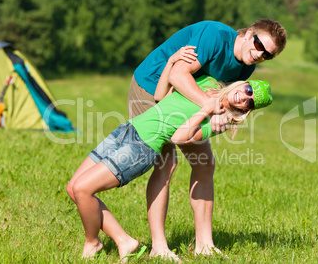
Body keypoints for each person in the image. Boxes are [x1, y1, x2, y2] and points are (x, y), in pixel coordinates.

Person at [66, 47, 273, 262]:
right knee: (73, 188)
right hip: (128, 129)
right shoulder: (208, 83)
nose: (244, 97)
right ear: (242, 84)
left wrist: (206, 110)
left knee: (82, 189)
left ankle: (94, 242)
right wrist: (171, 62)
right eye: (249, 90)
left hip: (142, 147)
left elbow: (179, 138)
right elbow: (160, 96)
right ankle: (124, 241)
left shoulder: (219, 120)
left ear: (246, 110)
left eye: (249, 102)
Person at [127, 19, 287, 259]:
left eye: (267, 55)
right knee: (166, 165)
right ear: (249, 33)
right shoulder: (214, 36)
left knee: (204, 163)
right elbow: (178, 75)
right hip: (152, 87)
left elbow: (224, 96)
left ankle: (205, 244)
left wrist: (224, 117)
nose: (259, 55)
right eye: (258, 45)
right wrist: (209, 107)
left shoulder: (246, 65)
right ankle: (159, 248)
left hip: (186, 99)